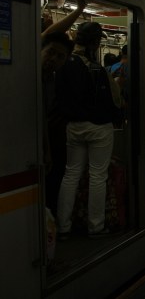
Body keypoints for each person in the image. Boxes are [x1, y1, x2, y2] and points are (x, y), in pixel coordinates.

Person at [55, 22, 122, 238]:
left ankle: (63, 227)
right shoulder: (96, 69)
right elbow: (114, 100)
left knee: (71, 174)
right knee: (97, 176)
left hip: (73, 127)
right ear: (94, 42)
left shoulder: (63, 64)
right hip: (98, 128)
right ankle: (96, 226)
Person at [42, 32, 75, 214]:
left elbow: (42, 119)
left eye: (60, 56)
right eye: (51, 52)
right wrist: (78, 8)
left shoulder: (50, 80)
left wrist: (47, 150)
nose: (53, 59)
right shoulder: (30, 74)